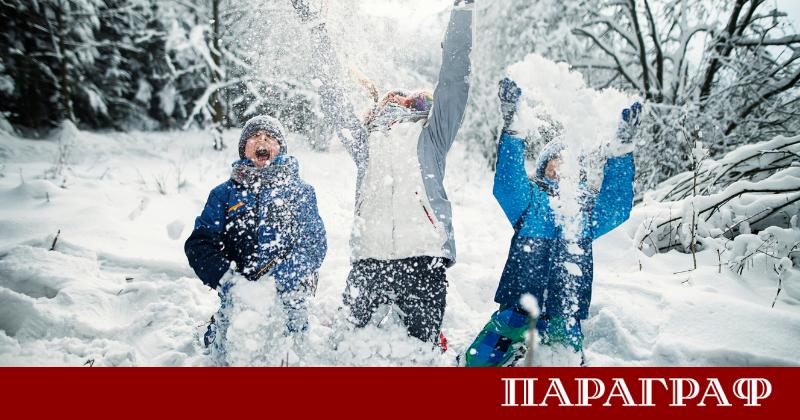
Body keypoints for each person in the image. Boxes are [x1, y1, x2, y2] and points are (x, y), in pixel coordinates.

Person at [291, 0, 473, 345]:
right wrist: (317, 30)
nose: (399, 103)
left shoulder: (431, 137)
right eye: (392, 99)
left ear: (420, 106)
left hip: (423, 257)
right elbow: (334, 98)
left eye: (409, 100)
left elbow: (453, 81)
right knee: (346, 349)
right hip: (369, 259)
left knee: (421, 354)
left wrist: (462, 11)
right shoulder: (365, 143)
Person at [464, 78, 641, 366]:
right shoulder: (531, 200)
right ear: (544, 166)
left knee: (564, 367)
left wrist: (620, 152)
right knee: (478, 362)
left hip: (565, 312)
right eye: (555, 159)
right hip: (518, 304)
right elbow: (507, 185)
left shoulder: (586, 211)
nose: (561, 165)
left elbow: (617, 207)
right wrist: (513, 130)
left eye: (569, 160)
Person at [184, 115, 328, 360]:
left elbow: (314, 243)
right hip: (239, 294)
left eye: (270, 137)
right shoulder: (224, 194)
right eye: (254, 137)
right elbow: (200, 244)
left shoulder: (301, 192)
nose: (262, 140)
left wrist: (280, 280)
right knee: (230, 351)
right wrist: (229, 281)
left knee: (290, 353)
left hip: (288, 292)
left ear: (280, 149)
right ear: (243, 149)